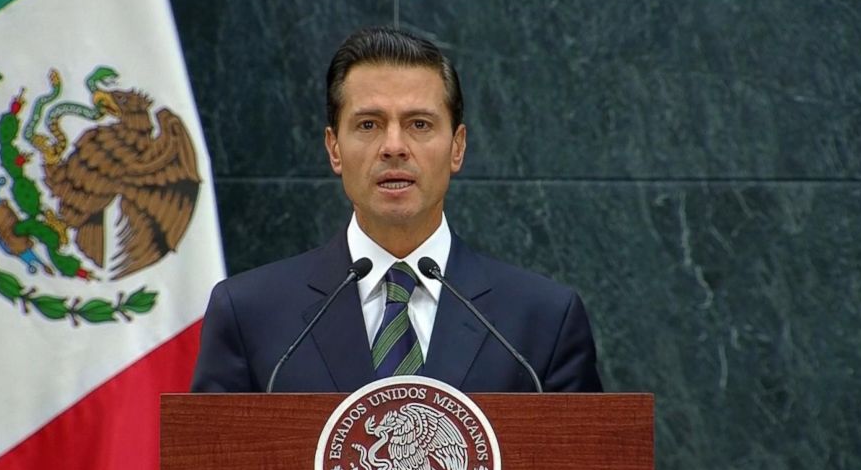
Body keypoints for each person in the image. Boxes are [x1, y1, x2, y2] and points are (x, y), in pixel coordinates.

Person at [190, 27, 602, 394]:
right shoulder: (250, 313)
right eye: (368, 124)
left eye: (419, 124)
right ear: (334, 148)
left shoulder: (541, 320)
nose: (393, 146)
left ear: (457, 147)